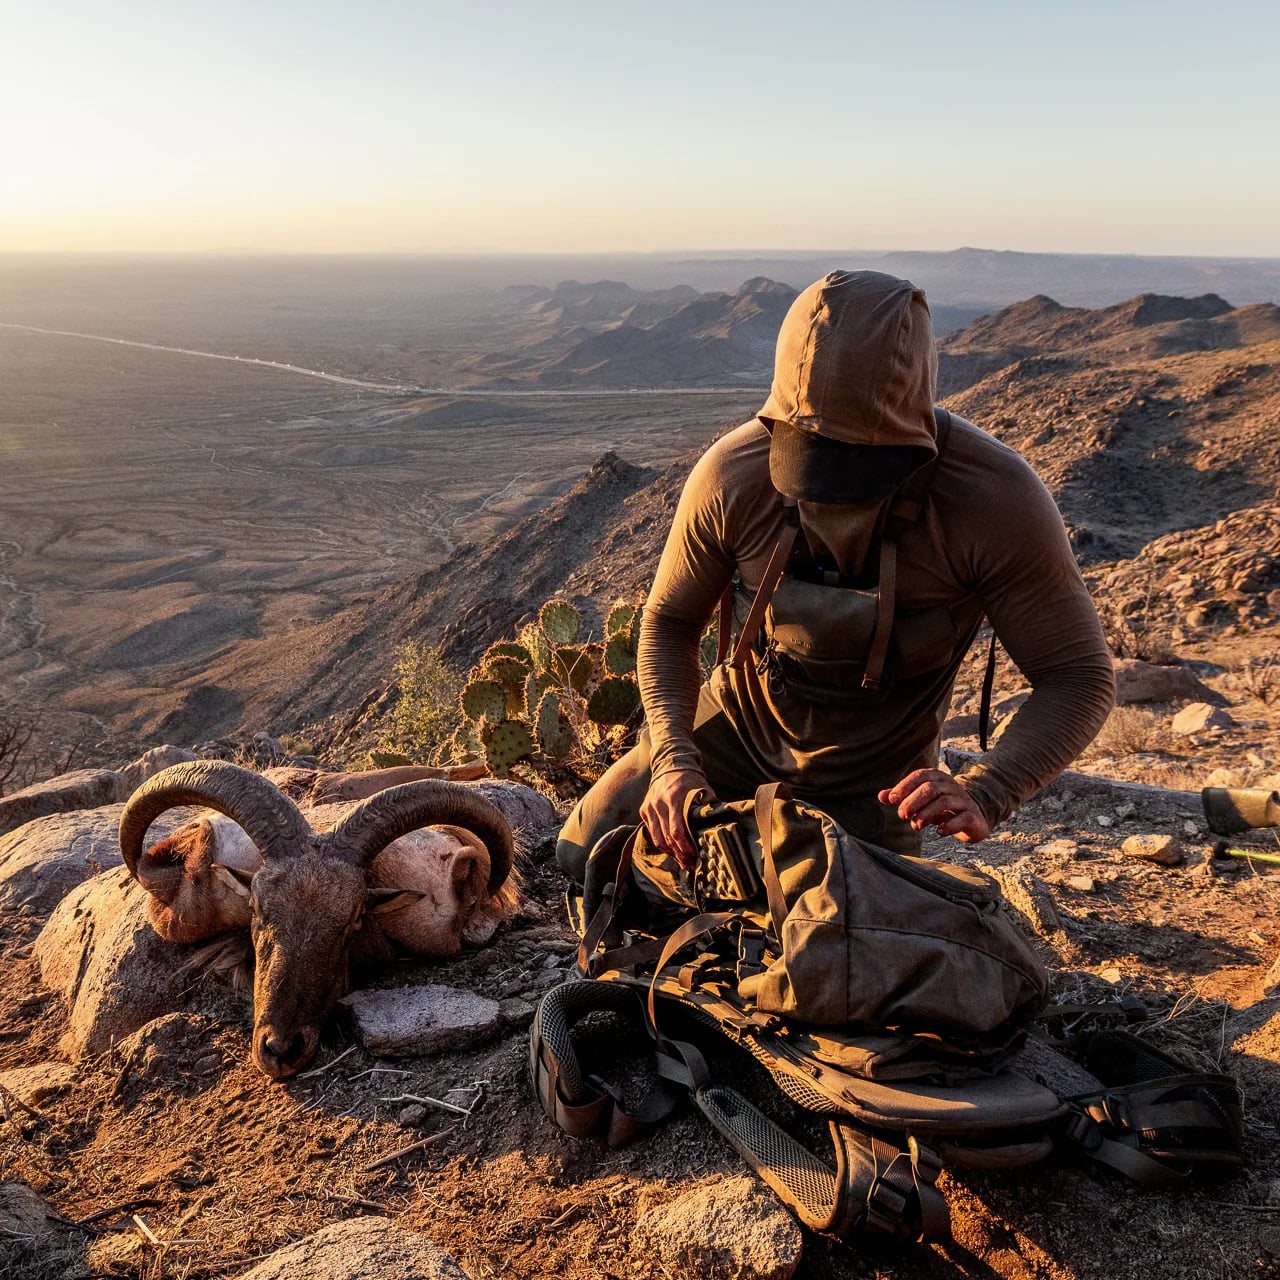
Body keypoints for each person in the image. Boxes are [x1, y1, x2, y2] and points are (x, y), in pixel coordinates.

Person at [556, 270, 1115, 879]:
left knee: (830, 928)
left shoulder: (993, 500)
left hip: (877, 783)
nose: (830, 504)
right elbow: (669, 622)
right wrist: (672, 759)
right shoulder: (732, 475)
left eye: (860, 474)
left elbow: (1077, 676)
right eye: (808, 462)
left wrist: (988, 788)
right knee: (584, 856)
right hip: (733, 734)